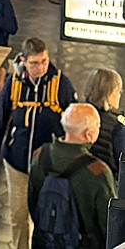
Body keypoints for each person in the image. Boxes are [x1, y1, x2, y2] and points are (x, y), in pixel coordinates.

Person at [0, 37, 76, 249]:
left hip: (47, 166)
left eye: (44, 61)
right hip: (16, 163)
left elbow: (73, 125)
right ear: (23, 60)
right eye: (34, 63)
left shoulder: (61, 84)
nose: (41, 67)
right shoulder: (13, 84)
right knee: (18, 216)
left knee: (46, 218)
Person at [28, 103, 115, 249]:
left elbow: (33, 204)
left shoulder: (40, 157)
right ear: (89, 134)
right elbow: (109, 225)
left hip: (45, 242)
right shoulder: (99, 172)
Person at [84, 68, 125, 174]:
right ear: (108, 93)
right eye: (118, 91)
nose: (120, 95)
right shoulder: (117, 126)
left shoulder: (76, 114)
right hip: (108, 182)